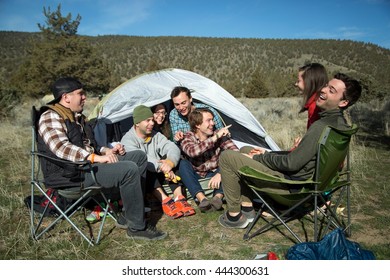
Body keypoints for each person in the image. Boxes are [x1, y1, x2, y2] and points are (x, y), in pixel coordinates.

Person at [218, 73, 362, 229]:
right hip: (309, 186)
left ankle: (234, 217)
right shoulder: (340, 125)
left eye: (332, 90)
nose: (323, 90)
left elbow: (292, 164)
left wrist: (259, 158)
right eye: (327, 85)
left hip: (292, 189)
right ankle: (247, 208)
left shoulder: (321, 127)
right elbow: (303, 158)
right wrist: (267, 154)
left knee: (227, 157)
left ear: (344, 102)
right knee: (246, 149)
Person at [38, 77, 167, 240]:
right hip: (70, 176)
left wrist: (107, 151)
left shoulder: (76, 117)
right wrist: (95, 158)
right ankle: (137, 227)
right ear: (66, 97)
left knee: (138, 157)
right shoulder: (50, 117)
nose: (84, 97)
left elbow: (89, 146)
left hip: (85, 168)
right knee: (129, 169)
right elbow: (62, 148)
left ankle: (130, 214)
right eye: (80, 94)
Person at [121, 105, 195, 219]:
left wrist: (169, 163)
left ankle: (179, 197)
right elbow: (143, 158)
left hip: (161, 171)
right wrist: (162, 166)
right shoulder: (127, 140)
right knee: (145, 166)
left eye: (152, 120)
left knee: (176, 160)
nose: (152, 123)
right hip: (145, 178)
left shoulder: (155, 135)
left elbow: (171, 147)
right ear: (137, 123)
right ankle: (165, 200)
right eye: (148, 120)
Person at [180, 108, 239, 212]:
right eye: (208, 120)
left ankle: (218, 198)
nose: (213, 123)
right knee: (183, 164)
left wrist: (221, 173)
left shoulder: (219, 134)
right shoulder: (188, 137)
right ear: (198, 125)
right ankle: (202, 199)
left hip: (215, 173)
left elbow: (236, 153)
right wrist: (215, 138)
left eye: (212, 120)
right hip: (197, 174)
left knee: (229, 163)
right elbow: (192, 152)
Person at [291, 63, 328, 149]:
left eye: (298, 81)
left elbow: (314, 146)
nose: (296, 84)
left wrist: (298, 148)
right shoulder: (321, 104)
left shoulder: (315, 107)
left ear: (309, 82)